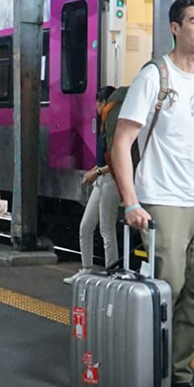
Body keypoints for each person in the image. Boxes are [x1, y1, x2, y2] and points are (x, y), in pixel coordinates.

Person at [110, 0, 194, 387]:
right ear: (175, 28)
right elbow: (121, 142)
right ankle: (146, 373)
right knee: (169, 289)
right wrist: (131, 201)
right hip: (161, 200)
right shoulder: (154, 77)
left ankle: (178, 376)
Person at [64, 86, 119, 284]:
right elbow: (105, 158)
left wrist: (96, 172)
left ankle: (111, 273)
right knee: (86, 225)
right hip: (102, 179)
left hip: (112, 180)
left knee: (106, 228)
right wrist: (94, 171)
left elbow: (116, 160)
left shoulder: (114, 123)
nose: (95, 106)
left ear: (103, 103)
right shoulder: (105, 123)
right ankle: (86, 269)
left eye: (97, 102)